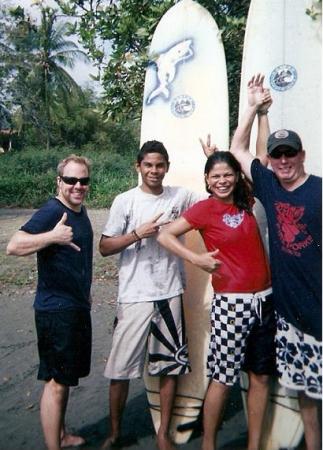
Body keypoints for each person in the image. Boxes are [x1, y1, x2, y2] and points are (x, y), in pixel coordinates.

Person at [157, 147, 277, 450]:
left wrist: (259, 112)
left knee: (260, 377)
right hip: (230, 305)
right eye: (215, 177)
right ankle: (208, 444)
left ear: (236, 177)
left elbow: (259, 157)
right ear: (207, 181)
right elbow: (165, 236)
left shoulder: (247, 199)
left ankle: (254, 445)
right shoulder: (204, 209)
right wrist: (196, 259)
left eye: (227, 175)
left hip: (264, 301)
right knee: (223, 378)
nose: (222, 181)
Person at [230, 75, 322, 450]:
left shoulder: (319, 190)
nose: (283, 160)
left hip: (321, 312)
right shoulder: (268, 185)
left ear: (302, 155)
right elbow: (236, 147)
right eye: (277, 155)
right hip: (291, 316)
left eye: (290, 153)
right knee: (308, 401)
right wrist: (253, 107)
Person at [99, 140, 206, 450]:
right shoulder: (125, 201)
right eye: (148, 165)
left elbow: (213, 201)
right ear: (138, 167)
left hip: (170, 292)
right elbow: (104, 247)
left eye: (159, 165)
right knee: (119, 370)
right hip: (134, 296)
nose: (154, 171)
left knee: (169, 367)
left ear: (166, 167)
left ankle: (163, 434)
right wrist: (137, 234)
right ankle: (115, 433)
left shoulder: (179, 196)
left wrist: (214, 159)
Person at [6, 155, 93, 450]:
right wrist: (52, 236)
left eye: (83, 180)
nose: (77, 185)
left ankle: (62, 435)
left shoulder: (79, 210)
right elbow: (13, 246)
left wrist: (85, 291)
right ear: (59, 181)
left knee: (64, 379)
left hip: (75, 306)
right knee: (56, 383)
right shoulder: (52, 211)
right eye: (71, 180)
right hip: (56, 310)